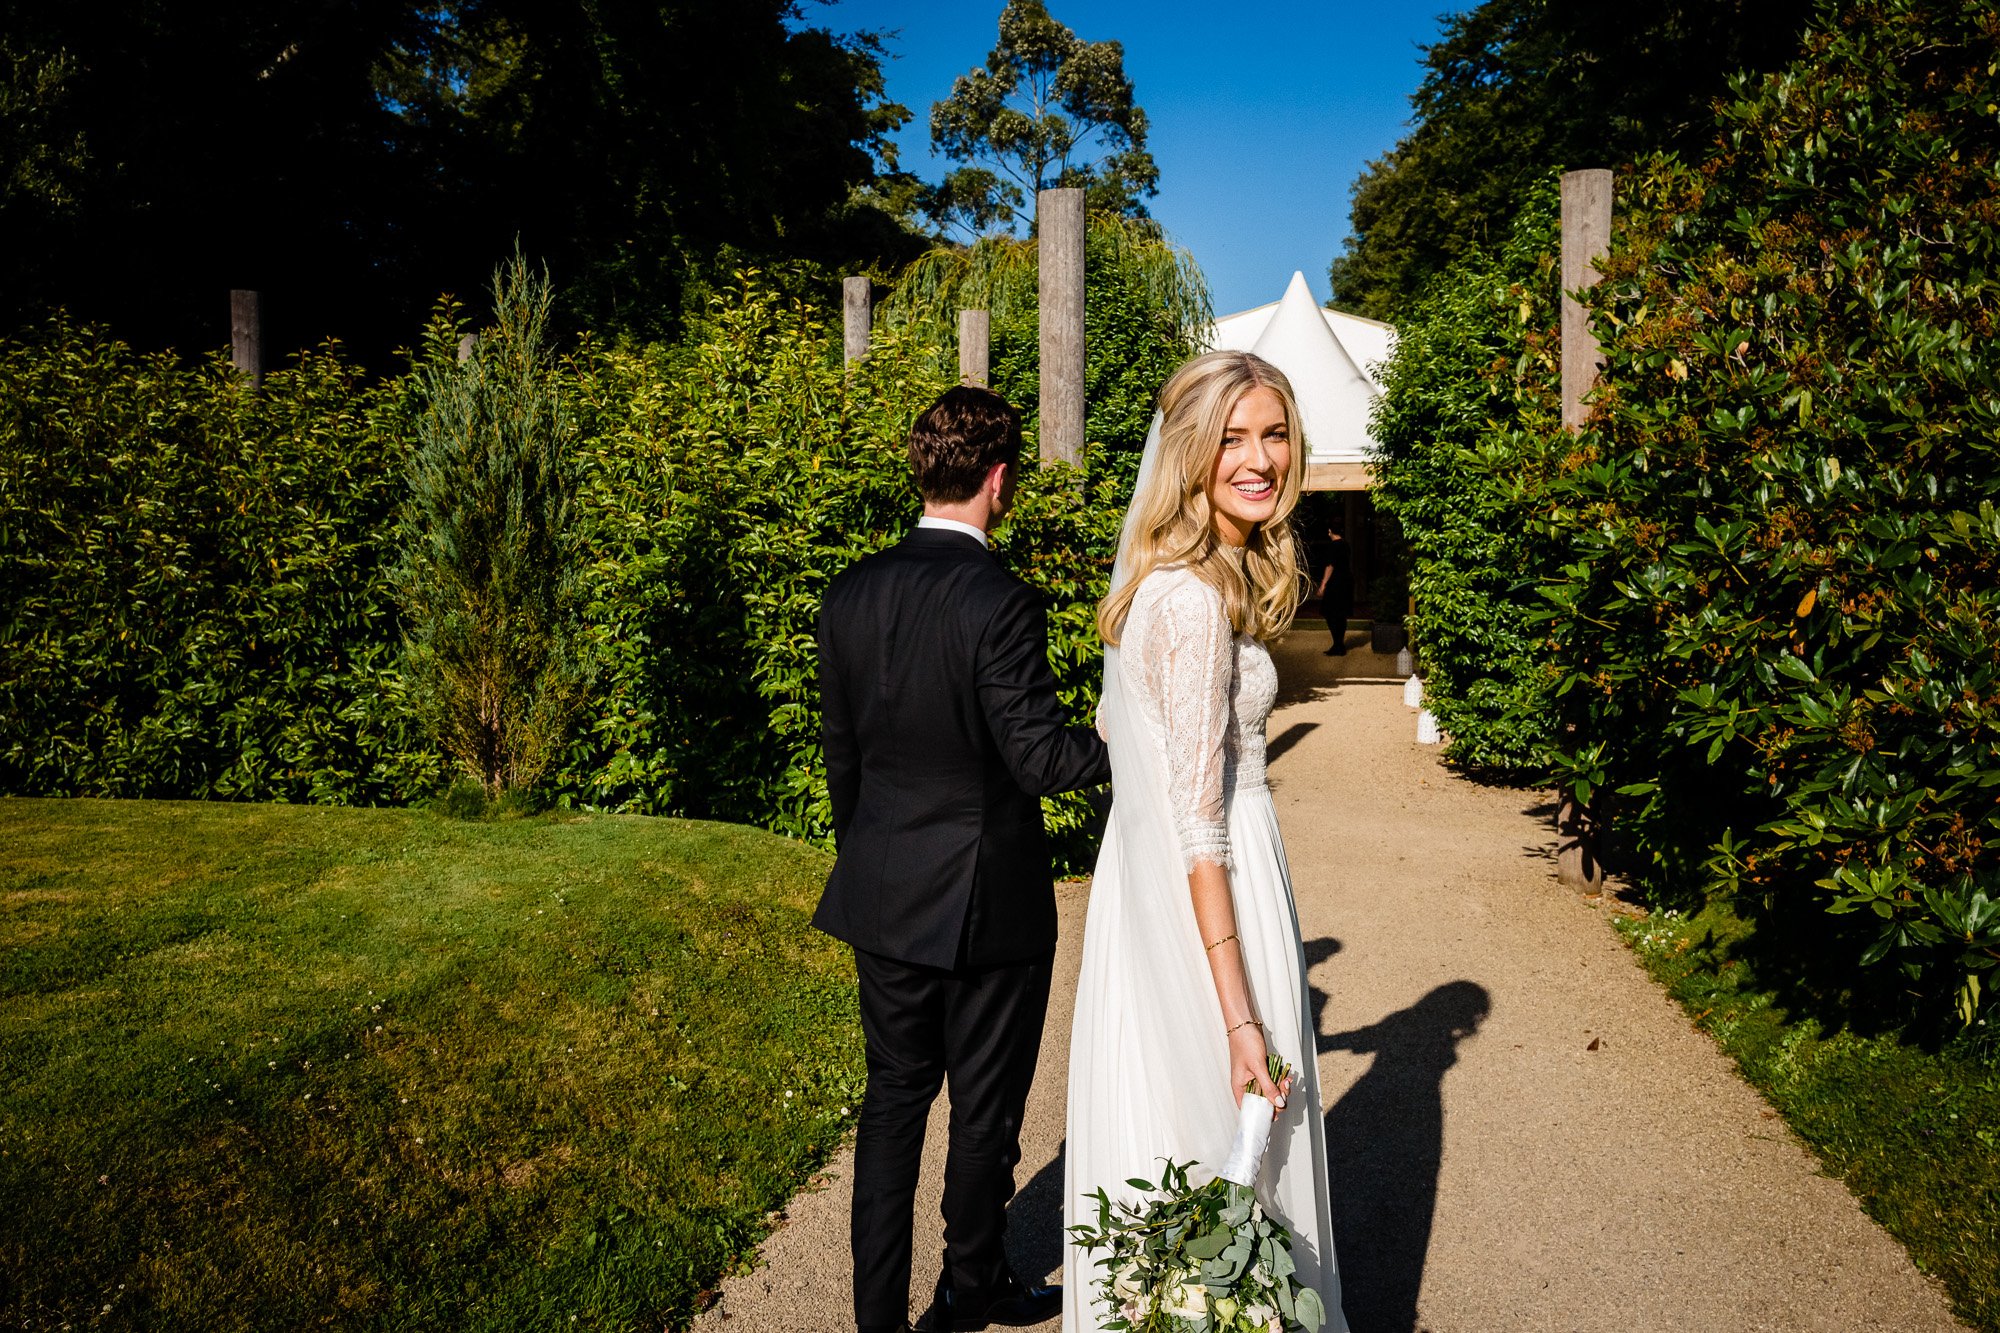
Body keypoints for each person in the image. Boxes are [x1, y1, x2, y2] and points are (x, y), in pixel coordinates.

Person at [815, 385, 1112, 1333]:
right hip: (991, 911)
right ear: (999, 479)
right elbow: (1038, 758)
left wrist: (872, 860)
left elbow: (843, 760)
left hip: (884, 894)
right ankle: (969, 1287)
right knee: (983, 1113)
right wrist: (1120, 736)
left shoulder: (848, 593)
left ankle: (877, 1323)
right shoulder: (1001, 601)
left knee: (893, 1108)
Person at [1064, 351, 1348, 1331]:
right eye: (1232, 438)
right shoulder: (1188, 598)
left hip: (1162, 899)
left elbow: (1120, 735)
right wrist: (1236, 1014)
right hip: (1216, 896)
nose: (1260, 458)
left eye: (1272, 434)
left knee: (1186, 1153)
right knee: (1227, 1146)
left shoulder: (1181, 580)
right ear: (1188, 451)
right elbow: (1196, 826)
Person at [1316, 519, 1353, 656]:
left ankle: (1338, 644)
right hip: (1346, 580)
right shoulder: (1345, 544)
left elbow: (1330, 566)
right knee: (1341, 614)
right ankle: (1339, 644)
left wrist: (1323, 584)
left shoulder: (1333, 546)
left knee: (1329, 612)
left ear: (1330, 531)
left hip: (1335, 582)